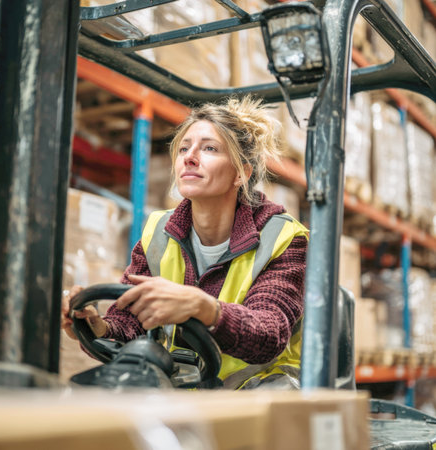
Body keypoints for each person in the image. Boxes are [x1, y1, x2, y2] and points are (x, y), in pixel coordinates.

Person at [61, 96, 308, 390]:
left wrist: (204, 308)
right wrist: (97, 327)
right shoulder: (158, 232)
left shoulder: (283, 238)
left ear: (241, 173)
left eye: (209, 148)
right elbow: (131, 326)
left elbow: (269, 335)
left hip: (260, 399)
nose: (189, 157)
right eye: (183, 148)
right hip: (186, 395)